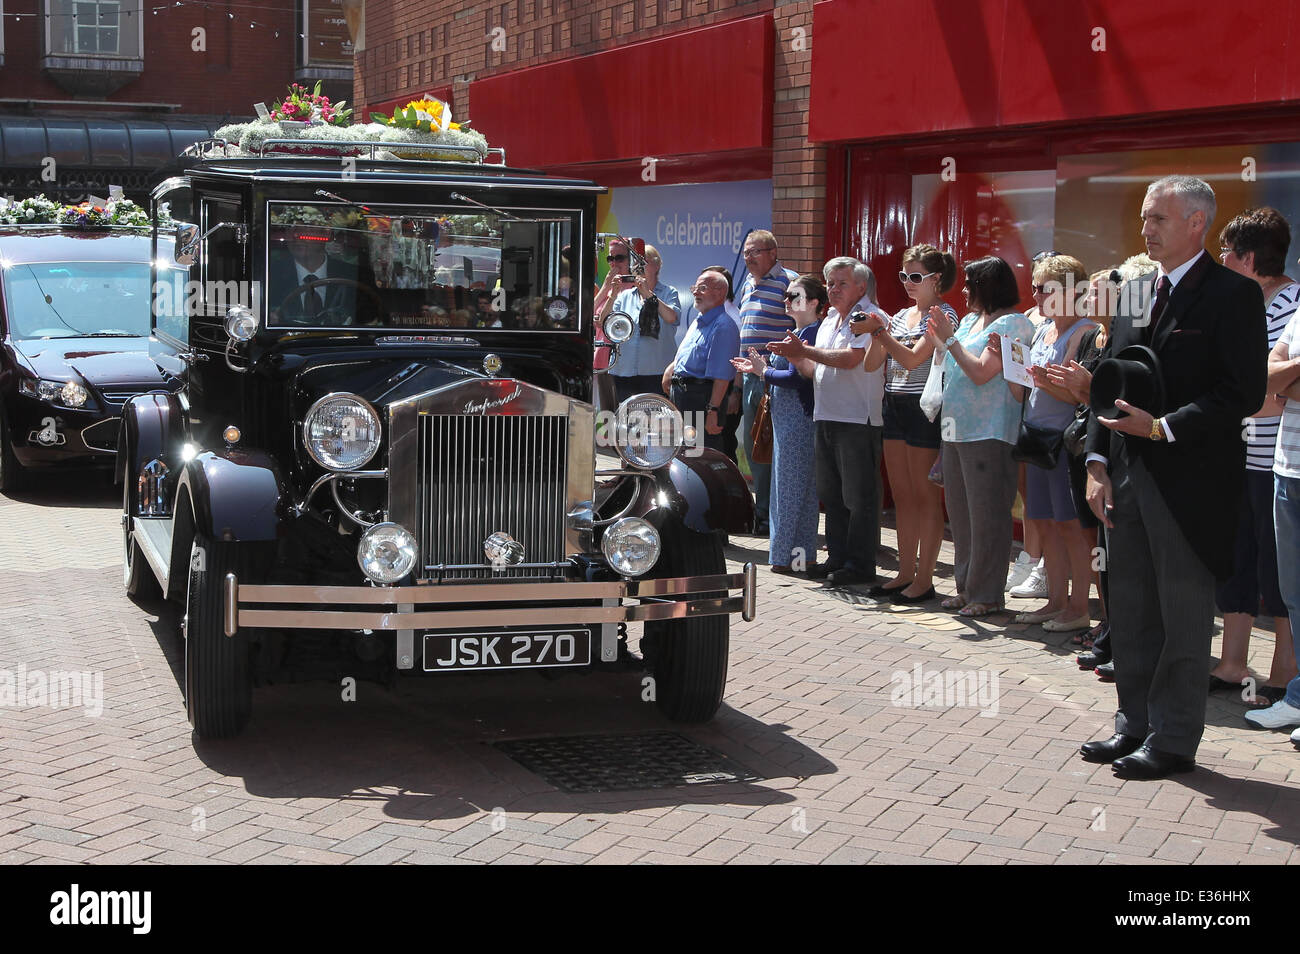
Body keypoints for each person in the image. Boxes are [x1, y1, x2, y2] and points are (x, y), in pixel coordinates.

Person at [1081, 175, 1266, 779]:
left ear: (1197, 223)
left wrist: (1163, 428)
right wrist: (1098, 462)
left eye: (1158, 218)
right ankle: (1133, 723)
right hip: (1127, 480)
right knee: (1130, 609)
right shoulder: (1135, 292)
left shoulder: (1233, 295)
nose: (1146, 229)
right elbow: (1111, 381)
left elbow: (1241, 391)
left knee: (1183, 616)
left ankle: (1174, 739)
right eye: (1143, 217)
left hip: (1191, 485)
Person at [1207, 209, 1299, 707]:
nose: (1220, 259)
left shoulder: (1292, 301)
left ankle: (1284, 670)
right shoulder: (1242, 301)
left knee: (1277, 567)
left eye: (1227, 251)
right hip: (1235, 454)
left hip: (1273, 458)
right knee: (1235, 559)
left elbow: (1276, 388)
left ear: (1248, 257)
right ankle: (1232, 661)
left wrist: (1245, 391)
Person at [923, 256, 1035, 618]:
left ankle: (987, 594)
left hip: (989, 430)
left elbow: (983, 373)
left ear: (989, 285)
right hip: (956, 428)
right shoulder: (972, 320)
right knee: (961, 514)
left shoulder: (1012, 324)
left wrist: (950, 340)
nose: (965, 290)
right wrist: (942, 341)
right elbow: (953, 361)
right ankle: (966, 587)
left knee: (988, 515)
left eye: (971, 284)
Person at [768, 257, 886, 587]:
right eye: (831, 283)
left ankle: (860, 565)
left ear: (861, 287)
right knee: (832, 495)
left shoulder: (869, 318)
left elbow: (851, 360)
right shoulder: (831, 318)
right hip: (825, 415)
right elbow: (813, 370)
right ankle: (837, 558)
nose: (833, 289)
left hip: (856, 419)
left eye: (842, 283)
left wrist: (806, 352)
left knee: (857, 498)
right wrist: (794, 355)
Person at [1011, 255, 1097, 633]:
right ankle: (1056, 601)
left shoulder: (1083, 332)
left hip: (1063, 442)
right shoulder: (1043, 328)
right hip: (1036, 436)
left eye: (1045, 288)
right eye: (1034, 287)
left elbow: (1081, 398)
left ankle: (1079, 607)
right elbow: (1026, 389)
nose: (1036, 294)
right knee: (1043, 523)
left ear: (1069, 292)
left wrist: (1043, 382)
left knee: (1071, 527)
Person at [868, 244, 958, 603]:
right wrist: (876, 332)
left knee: (925, 498)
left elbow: (909, 359)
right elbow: (873, 365)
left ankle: (924, 579)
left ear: (937, 279)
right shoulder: (900, 315)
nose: (908, 283)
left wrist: (880, 333)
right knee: (903, 496)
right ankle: (904, 573)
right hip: (894, 402)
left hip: (924, 408)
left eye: (916, 277)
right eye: (904, 276)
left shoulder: (943, 313)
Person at [732, 274, 826, 574]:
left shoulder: (812, 334)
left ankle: (786, 556)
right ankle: (800, 555)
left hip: (798, 418)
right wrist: (760, 369)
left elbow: (800, 377)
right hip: (789, 418)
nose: (786, 301)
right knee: (795, 489)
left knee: (790, 489)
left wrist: (764, 372)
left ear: (813, 302)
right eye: (785, 296)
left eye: (793, 296)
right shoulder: (799, 332)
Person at [735, 231, 798, 535]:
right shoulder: (748, 283)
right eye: (746, 253)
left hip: (777, 377)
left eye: (755, 252)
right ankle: (762, 513)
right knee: (755, 444)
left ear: (773, 252)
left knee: (774, 445)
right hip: (750, 376)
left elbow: (801, 327)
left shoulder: (789, 282)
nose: (748, 258)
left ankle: (775, 516)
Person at [661, 270, 740, 454]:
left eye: (702, 288)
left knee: (699, 456)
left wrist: (712, 411)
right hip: (684, 396)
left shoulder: (724, 326)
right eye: (695, 288)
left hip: (701, 399)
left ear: (721, 292)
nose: (695, 292)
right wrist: (671, 371)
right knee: (682, 453)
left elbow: (722, 377)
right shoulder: (700, 320)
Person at [602, 244, 681, 405]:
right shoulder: (624, 296)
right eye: (635, 262)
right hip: (623, 370)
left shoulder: (669, 293)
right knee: (627, 423)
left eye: (643, 261)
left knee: (655, 422)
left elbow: (671, 317)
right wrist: (612, 294)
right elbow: (604, 323)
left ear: (657, 265)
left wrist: (648, 294)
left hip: (656, 371)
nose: (638, 266)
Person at [269, 225, 374, 326]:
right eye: (290, 228)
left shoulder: (357, 276)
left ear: (326, 234)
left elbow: (370, 325)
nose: (296, 235)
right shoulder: (269, 275)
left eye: (307, 227)